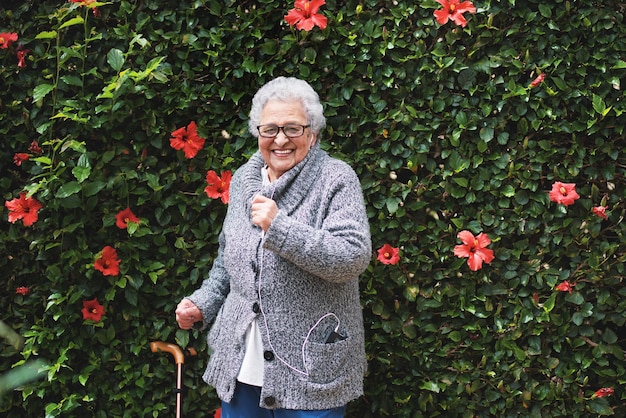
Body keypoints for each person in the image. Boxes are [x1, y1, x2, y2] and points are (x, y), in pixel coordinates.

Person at [175, 76, 371, 417]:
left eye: (293, 128)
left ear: (312, 133)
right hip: (241, 366)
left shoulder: (335, 179)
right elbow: (227, 258)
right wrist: (202, 303)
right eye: (270, 129)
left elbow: (351, 257)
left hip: (310, 371)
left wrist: (279, 227)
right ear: (258, 133)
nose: (280, 139)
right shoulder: (244, 181)